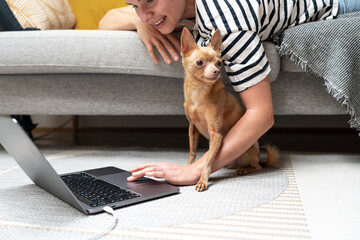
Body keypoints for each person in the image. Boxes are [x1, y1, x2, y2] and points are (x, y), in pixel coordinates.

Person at [99, 0, 360, 186]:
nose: (145, 14)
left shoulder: (228, 24)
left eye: (148, 2)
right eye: (135, 5)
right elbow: (105, 20)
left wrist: (198, 169)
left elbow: (262, 114)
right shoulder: (166, 9)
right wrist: (138, 21)